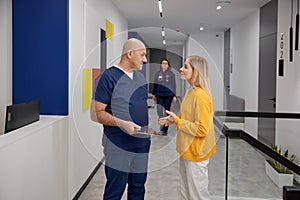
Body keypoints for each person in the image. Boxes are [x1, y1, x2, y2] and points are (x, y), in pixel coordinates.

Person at [91, 38, 151, 200]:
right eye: (142, 55)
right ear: (130, 54)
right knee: (115, 191)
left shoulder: (140, 78)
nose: (145, 60)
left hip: (142, 143)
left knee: (138, 188)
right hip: (118, 145)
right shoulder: (107, 77)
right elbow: (96, 113)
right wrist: (122, 123)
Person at [159, 55, 216, 200]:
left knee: (197, 196)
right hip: (186, 150)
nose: (181, 69)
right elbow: (187, 116)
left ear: (196, 72)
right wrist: (173, 120)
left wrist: (178, 121)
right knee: (186, 193)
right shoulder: (191, 92)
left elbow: (201, 129)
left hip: (196, 153)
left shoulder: (201, 96)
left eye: (185, 66)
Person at [152, 58, 177, 135]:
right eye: (163, 63)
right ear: (161, 65)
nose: (164, 65)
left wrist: (174, 95)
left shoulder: (171, 74)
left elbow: (174, 85)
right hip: (159, 94)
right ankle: (162, 124)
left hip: (168, 95)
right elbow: (155, 84)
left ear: (168, 65)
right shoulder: (157, 73)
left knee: (167, 111)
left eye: (166, 63)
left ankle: (165, 129)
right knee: (159, 110)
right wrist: (153, 94)